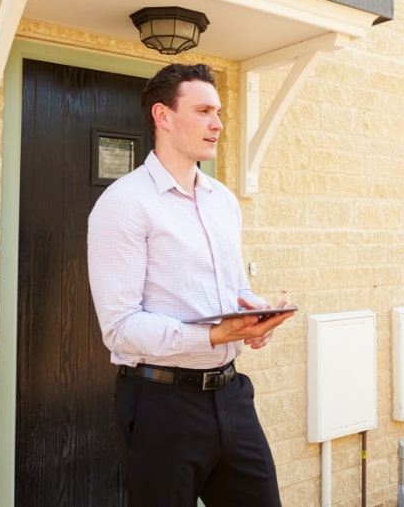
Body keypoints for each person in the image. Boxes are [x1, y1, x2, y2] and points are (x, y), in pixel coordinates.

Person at [87, 63, 295, 507]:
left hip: (232, 396)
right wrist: (214, 334)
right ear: (163, 116)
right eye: (203, 111)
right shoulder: (123, 204)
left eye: (217, 111)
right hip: (162, 405)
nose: (217, 123)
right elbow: (120, 327)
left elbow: (235, 287)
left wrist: (256, 314)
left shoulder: (223, 200)